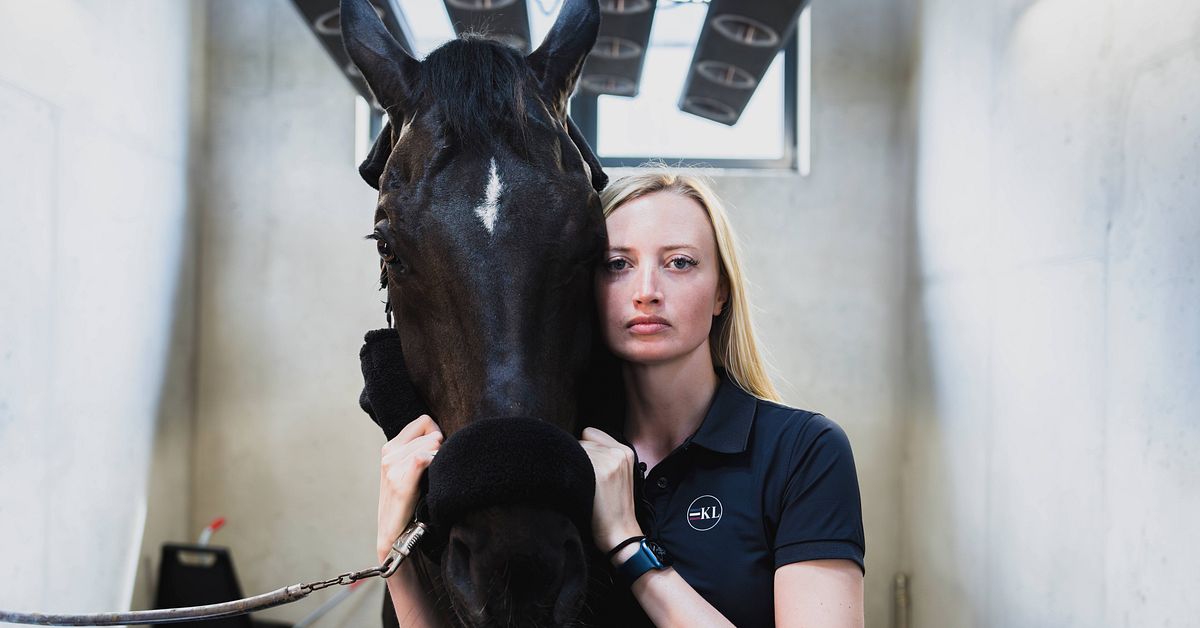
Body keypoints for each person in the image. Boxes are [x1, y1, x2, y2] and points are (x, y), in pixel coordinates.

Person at [375, 170, 866, 627]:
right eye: (618, 265)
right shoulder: (552, 460)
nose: (646, 291)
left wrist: (629, 545)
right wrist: (392, 556)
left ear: (721, 292)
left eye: (679, 262)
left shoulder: (804, 450)